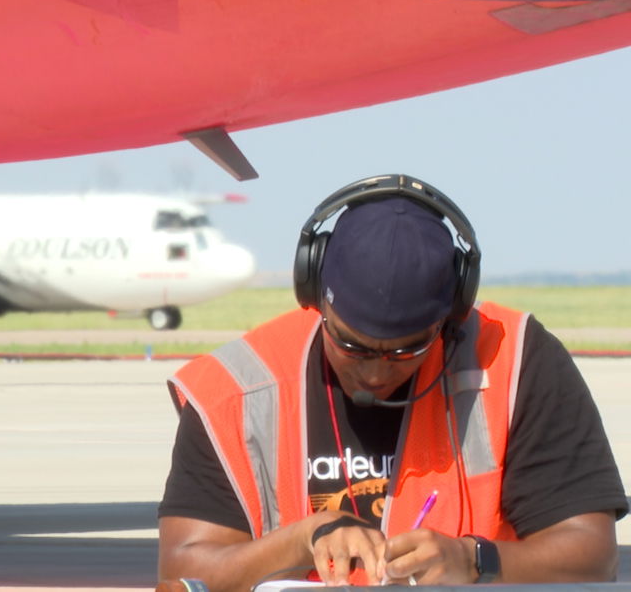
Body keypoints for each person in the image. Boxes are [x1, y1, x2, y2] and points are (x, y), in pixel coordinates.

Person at [157, 174, 626, 591]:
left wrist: (474, 559)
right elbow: (182, 573)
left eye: (408, 350)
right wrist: (303, 539)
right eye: (353, 346)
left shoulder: (518, 361)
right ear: (315, 296)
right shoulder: (236, 388)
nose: (377, 372)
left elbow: (592, 554)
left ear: (453, 315)